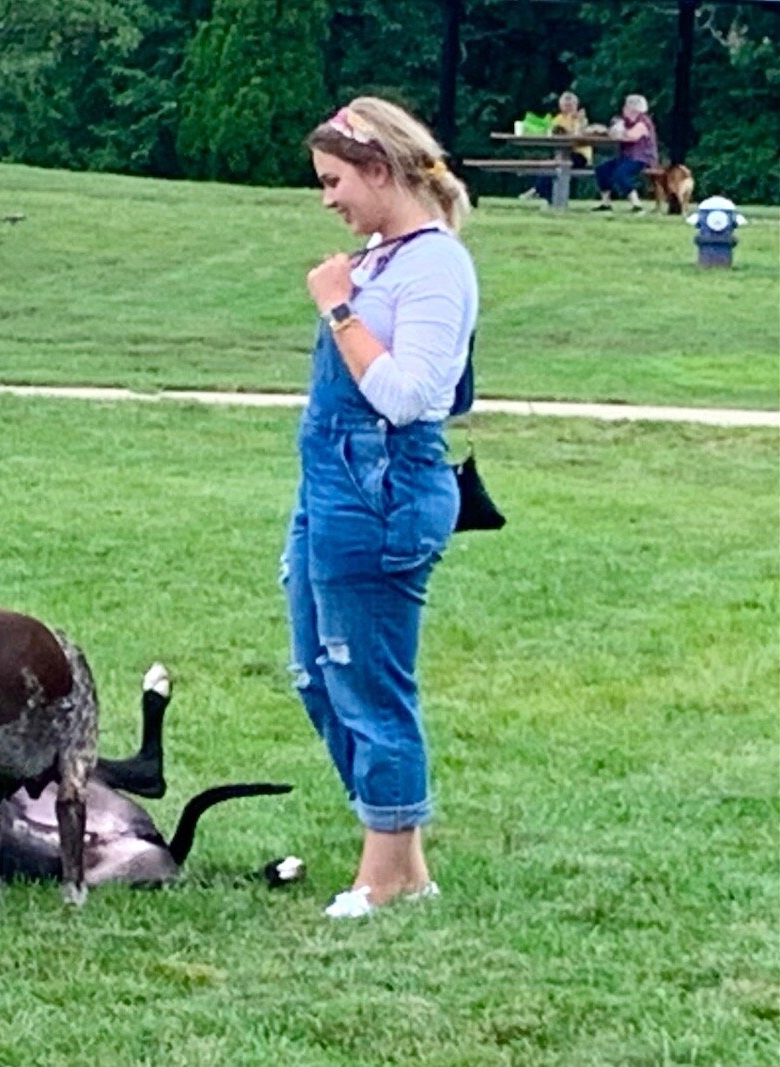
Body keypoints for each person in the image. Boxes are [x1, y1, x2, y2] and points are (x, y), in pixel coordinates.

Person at [286, 97, 477, 919]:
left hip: (383, 495)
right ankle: (407, 863)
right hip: (328, 493)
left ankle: (381, 874)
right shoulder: (377, 256)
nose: (328, 198)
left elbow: (409, 396)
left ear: (379, 170)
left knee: (369, 684)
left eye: (335, 181)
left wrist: (337, 305)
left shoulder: (435, 266)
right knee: (318, 676)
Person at [518, 91, 591, 202]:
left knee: (557, 165)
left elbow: (578, 137)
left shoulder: (580, 120)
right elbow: (549, 132)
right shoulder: (558, 119)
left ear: (576, 106)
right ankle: (547, 198)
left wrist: (578, 123)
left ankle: (534, 191)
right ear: (560, 106)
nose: (568, 108)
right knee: (550, 167)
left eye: (571, 105)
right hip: (561, 155)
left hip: (580, 156)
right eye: (565, 105)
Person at [593, 94, 658, 212]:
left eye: (626, 106)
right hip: (626, 157)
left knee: (620, 174)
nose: (624, 109)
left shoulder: (643, 121)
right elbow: (616, 133)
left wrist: (619, 131)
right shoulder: (626, 122)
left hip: (641, 158)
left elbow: (631, 136)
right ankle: (605, 203)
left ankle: (636, 203)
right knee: (602, 169)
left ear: (633, 109)